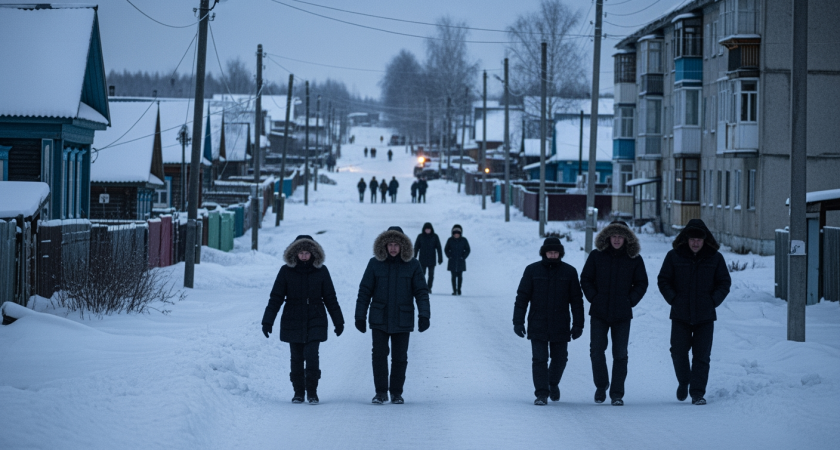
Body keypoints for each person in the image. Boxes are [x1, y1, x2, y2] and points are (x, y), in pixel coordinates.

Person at [261, 235, 344, 405]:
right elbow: (276, 297)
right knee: (296, 357)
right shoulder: (286, 271)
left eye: (307, 252)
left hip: (316, 317)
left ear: (313, 253)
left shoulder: (321, 271)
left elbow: (330, 298)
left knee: (312, 355)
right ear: (295, 254)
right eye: (301, 253)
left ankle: (312, 392)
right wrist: (267, 321)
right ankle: (298, 392)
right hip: (293, 318)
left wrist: (338, 321)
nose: (304, 256)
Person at [657, 219, 731, 406]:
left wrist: (713, 301)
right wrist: (674, 299)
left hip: (705, 316)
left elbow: (724, 283)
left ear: (705, 240)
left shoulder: (715, 258)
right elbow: (663, 280)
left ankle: (697, 393)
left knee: (701, 357)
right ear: (686, 239)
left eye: (699, 239)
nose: (695, 243)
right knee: (678, 352)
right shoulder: (674, 256)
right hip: (680, 314)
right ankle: (684, 381)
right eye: (692, 239)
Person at [355, 226, 431, 404]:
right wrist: (360, 316)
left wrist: (424, 315)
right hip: (379, 318)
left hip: (402, 318)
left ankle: (396, 392)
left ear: (403, 245)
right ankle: (381, 392)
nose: (393, 248)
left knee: (400, 357)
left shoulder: (413, 264)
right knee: (379, 355)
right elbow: (364, 291)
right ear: (384, 245)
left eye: (397, 244)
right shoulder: (374, 263)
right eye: (390, 244)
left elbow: (421, 292)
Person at [580, 221, 648, 406]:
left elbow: (642, 283)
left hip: (622, 314)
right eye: (614, 236)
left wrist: (630, 301)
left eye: (621, 236)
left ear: (626, 238)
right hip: (599, 312)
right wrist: (594, 297)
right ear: (608, 237)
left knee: (620, 354)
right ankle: (601, 386)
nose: (617, 240)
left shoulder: (634, 258)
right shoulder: (596, 256)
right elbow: (585, 278)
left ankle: (617, 393)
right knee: (596, 350)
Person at [513, 237, 584, 406]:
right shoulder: (532, 270)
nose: (553, 255)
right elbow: (522, 298)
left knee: (560, 359)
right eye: (550, 252)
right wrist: (518, 321)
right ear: (544, 253)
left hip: (561, 323)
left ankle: (552, 383)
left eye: (556, 252)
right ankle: (541, 394)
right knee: (539, 359)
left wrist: (578, 324)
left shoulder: (569, 272)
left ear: (560, 253)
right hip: (538, 322)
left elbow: (576, 301)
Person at [414, 223, 443, 294]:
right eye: (426, 229)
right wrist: (414, 256)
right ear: (424, 229)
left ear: (431, 229)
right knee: (422, 275)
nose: (427, 230)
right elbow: (416, 247)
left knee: (431, 275)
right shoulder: (420, 236)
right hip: (422, 259)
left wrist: (440, 258)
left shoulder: (435, 237)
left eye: (429, 229)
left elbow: (439, 248)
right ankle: (423, 287)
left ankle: (429, 288)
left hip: (432, 260)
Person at [444, 224, 470, 296]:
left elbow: (468, 249)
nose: (456, 235)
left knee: (460, 276)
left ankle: (459, 289)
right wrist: (449, 256)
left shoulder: (464, 240)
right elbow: (446, 249)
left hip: (461, 261)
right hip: (452, 261)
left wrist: (463, 256)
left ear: (460, 233)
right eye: (455, 233)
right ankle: (454, 290)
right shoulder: (450, 240)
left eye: (458, 233)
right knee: (453, 276)